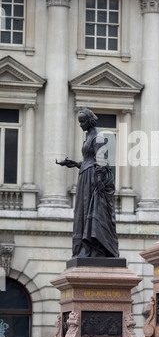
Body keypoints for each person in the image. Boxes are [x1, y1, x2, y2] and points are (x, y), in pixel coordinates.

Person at [56, 108, 119, 257]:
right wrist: (75, 163)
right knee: (82, 213)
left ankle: (93, 247)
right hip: (85, 175)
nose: (80, 124)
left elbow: (102, 160)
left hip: (92, 179)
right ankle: (83, 249)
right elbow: (89, 160)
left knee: (90, 211)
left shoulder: (98, 136)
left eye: (83, 121)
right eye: (79, 122)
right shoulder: (89, 135)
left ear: (90, 120)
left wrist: (98, 181)